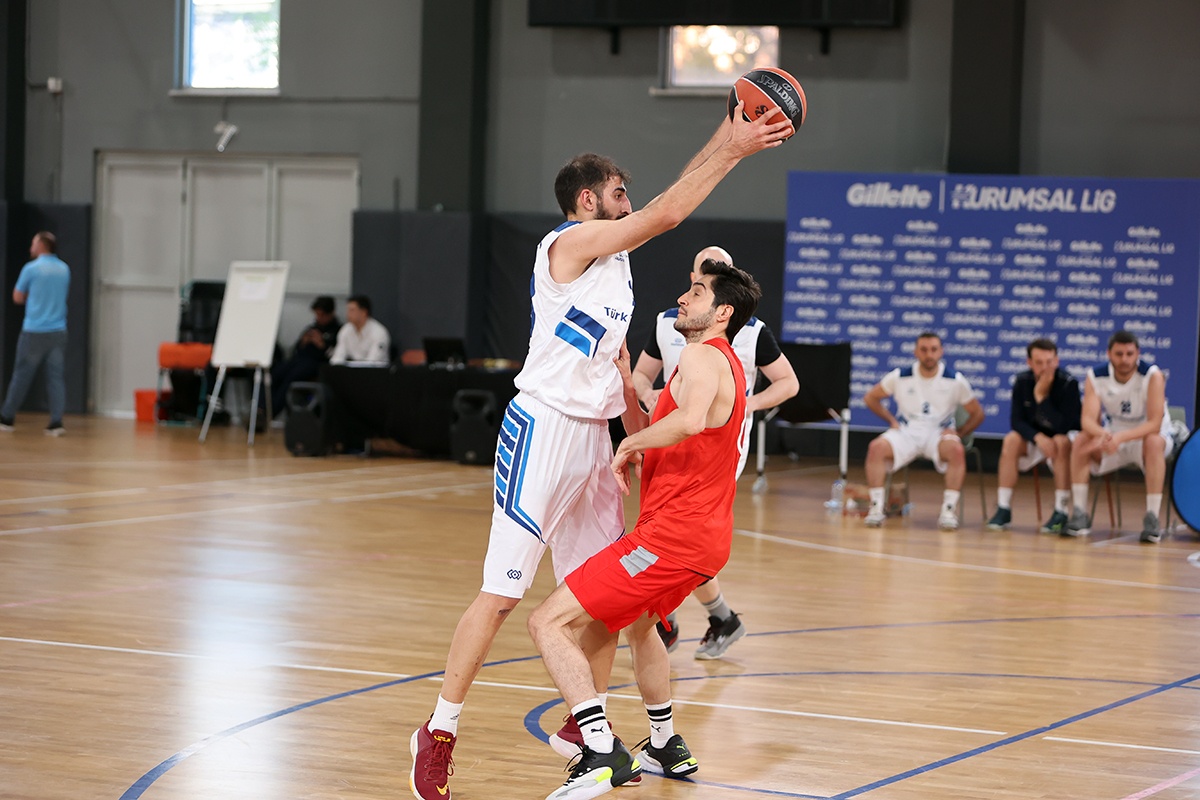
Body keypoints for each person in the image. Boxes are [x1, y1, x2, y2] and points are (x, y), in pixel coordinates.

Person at [407, 106, 790, 800]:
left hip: (593, 436)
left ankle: (590, 730)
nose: (629, 202)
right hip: (543, 425)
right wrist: (736, 148)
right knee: (503, 596)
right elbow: (670, 211)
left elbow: (618, 364)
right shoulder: (569, 245)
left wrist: (729, 127)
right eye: (619, 193)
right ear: (588, 201)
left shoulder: (617, 264)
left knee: (602, 602)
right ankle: (438, 732)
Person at [528, 259, 759, 800]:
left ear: (722, 313)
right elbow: (665, 427)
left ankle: (600, 749)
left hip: (670, 539)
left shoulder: (702, 355)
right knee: (640, 627)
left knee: (547, 622)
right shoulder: (717, 362)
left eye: (696, 292)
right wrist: (629, 389)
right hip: (703, 543)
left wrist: (628, 445)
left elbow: (690, 421)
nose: (683, 298)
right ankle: (664, 741)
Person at [632, 245, 798, 660]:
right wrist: (649, 396)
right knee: (668, 531)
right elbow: (642, 377)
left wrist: (746, 404)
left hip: (716, 446)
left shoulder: (750, 330)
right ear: (692, 277)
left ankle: (667, 619)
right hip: (670, 436)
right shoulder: (668, 322)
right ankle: (709, 617)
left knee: (683, 534)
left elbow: (788, 383)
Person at [862, 331, 985, 530]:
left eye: (934, 350)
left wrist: (960, 433)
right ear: (916, 352)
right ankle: (876, 508)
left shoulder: (955, 380)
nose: (929, 354)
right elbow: (870, 397)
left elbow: (978, 413)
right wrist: (891, 420)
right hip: (907, 430)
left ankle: (948, 511)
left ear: (941, 352)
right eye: (924, 350)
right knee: (876, 447)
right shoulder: (900, 376)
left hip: (938, 433)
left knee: (956, 450)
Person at [1066, 330, 1174, 543]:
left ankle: (1152, 518)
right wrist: (1104, 435)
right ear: (1109, 354)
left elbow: (1154, 423)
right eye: (1119, 354)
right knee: (1080, 441)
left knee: (1153, 442)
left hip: (1148, 436)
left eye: (1129, 354)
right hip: (1114, 436)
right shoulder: (1095, 376)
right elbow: (1087, 420)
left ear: (1138, 354)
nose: (1124, 359)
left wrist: (1119, 438)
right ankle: (1079, 514)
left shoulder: (1152, 375)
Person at [985, 338, 1082, 533]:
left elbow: (1066, 425)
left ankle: (1061, 510)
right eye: (1039, 362)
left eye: (1049, 362)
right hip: (1036, 439)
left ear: (1057, 361)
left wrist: (1041, 398)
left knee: (1061, 442)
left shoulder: (1068, 383)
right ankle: (1003, 508)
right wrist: (1037, 437)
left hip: (1062, 439)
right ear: (1029, 362)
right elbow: (1016, 421)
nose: (1045, 368)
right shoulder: (1022, 381)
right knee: (1011, 440)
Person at [0, 232, 71, 436]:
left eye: (33, 243)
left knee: (21, 375)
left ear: (41, 246)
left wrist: (31, 297)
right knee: (55, 378)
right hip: (58, 331)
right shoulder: (64, 269)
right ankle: (56, 422)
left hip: (34, 331)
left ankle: (7, 417)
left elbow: (17, 297)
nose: (31, 248)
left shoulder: (31, 269)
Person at [268, 296, 340, 415]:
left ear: (330, 314)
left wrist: (321, 345)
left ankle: (271, 411)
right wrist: (303, 342)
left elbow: (335, 356)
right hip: (298, 361)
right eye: (317, 315)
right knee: (272, 374)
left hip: (316, 364)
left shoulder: (338, 331)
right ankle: (262, 409)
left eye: (321, 315)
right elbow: (295, 350)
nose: (318, 318)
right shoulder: (312, 328)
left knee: (290, 379)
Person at [328, 294, 390, 365]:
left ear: (364, 312)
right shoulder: (345, 330)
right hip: (352, 369)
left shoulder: (379, 332)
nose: (348, 314)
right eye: (348, 310)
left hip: (375, 370)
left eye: (352, 310)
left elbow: (373, 361)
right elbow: (338, 356)